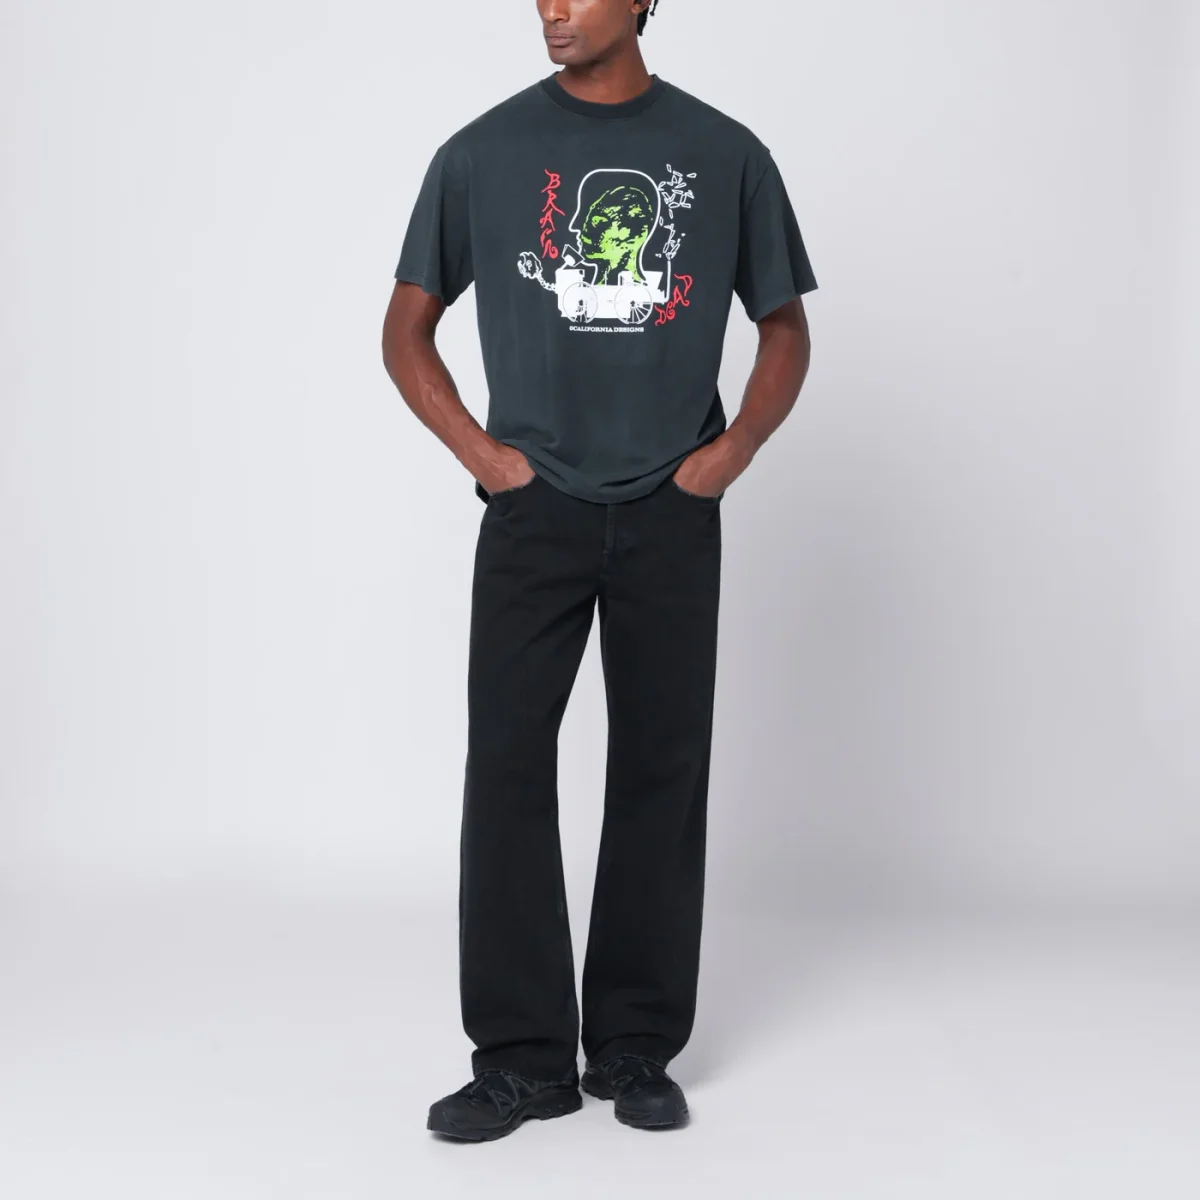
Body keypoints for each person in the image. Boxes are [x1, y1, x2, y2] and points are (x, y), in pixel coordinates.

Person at [381, 0, 816, 1142]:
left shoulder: (725, 154)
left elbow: (784, 327)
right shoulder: (481, 154)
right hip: (535, 510)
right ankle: (522, 1059)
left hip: (673, 506)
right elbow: (404, 329)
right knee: (508, 764)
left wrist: (731, 455)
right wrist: (487, 460)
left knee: (662, 767)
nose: (552, 7)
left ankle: (632, 1045)